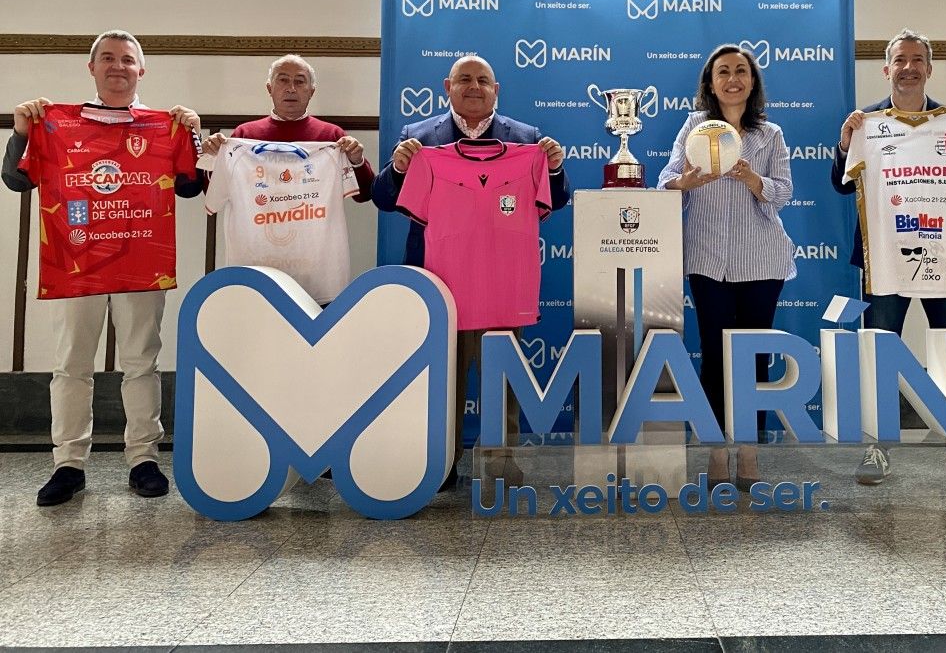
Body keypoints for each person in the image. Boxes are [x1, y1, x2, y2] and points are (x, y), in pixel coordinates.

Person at [2, 30, 203, 506]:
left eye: (128, 60)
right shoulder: (53, 123)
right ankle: (68, 465)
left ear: (141, 70)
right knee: (71, 366)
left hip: (141, 262)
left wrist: (192, 132)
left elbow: (191, 187)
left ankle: (144, 459)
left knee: (142, 363)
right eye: (108, 59)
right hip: (76, 262)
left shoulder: (164, 126)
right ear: (90, 69)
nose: (118, 67)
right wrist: (20, 132)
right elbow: (14, 179)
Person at [373, 55, 571, 490]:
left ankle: (502, 465)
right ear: (448, 86)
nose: (474, 86)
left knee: (503, 377)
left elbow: (554, 200)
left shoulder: (527, 140)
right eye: (465, 79)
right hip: (438, 283)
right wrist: (400, 168)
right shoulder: (418, 139)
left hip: (502, 284)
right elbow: (385, 199)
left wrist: (554, 168)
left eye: (483, 79)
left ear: (496, 89)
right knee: (439, 378)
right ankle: (438, 465)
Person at [832, 28, 946, 490]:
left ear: (929, 68)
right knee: (878, 350)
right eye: (900, 60)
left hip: (945, 260)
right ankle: (876, 446)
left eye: (917, 59)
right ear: (886, 69)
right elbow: (841, 183)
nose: (908, 67)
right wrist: (846, 143)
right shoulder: (864, 121)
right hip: (884, 258)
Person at [658, 43, 795, 490]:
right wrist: (686, 181)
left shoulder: (769, 134)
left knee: (754, 360)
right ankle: (717, 452)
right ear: (710, 83)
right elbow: (665, 182)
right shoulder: (694, 127)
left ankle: (750, 454)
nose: (732, 79)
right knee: (715, 356)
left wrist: (754, 180)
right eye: (723, 72)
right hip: (707, 259)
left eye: (741, 71)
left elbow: (784, 192)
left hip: (760, 259)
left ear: (752, 81)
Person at [201, 54, 374, 199]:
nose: (291, 89)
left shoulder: (332, 135)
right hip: (257, 235)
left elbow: (364, 195)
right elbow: (214, 193)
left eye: (299, 82)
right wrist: (213, 158)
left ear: (311, 91)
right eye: (283, 80)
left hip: (316, 236)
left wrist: (357, 161)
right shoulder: (244, 134)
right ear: (270, 88)